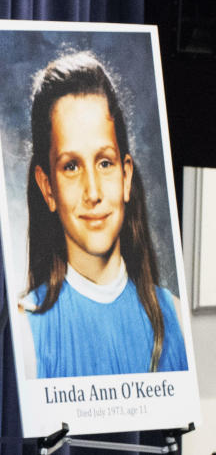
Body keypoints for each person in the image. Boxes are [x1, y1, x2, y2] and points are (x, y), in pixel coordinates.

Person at [18, 50, 187, 378]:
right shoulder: (28, 327)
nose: (93, 192)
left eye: (105, 162)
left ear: (126, 177)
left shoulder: (175, 318)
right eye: (71, 166)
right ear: (47, 187)